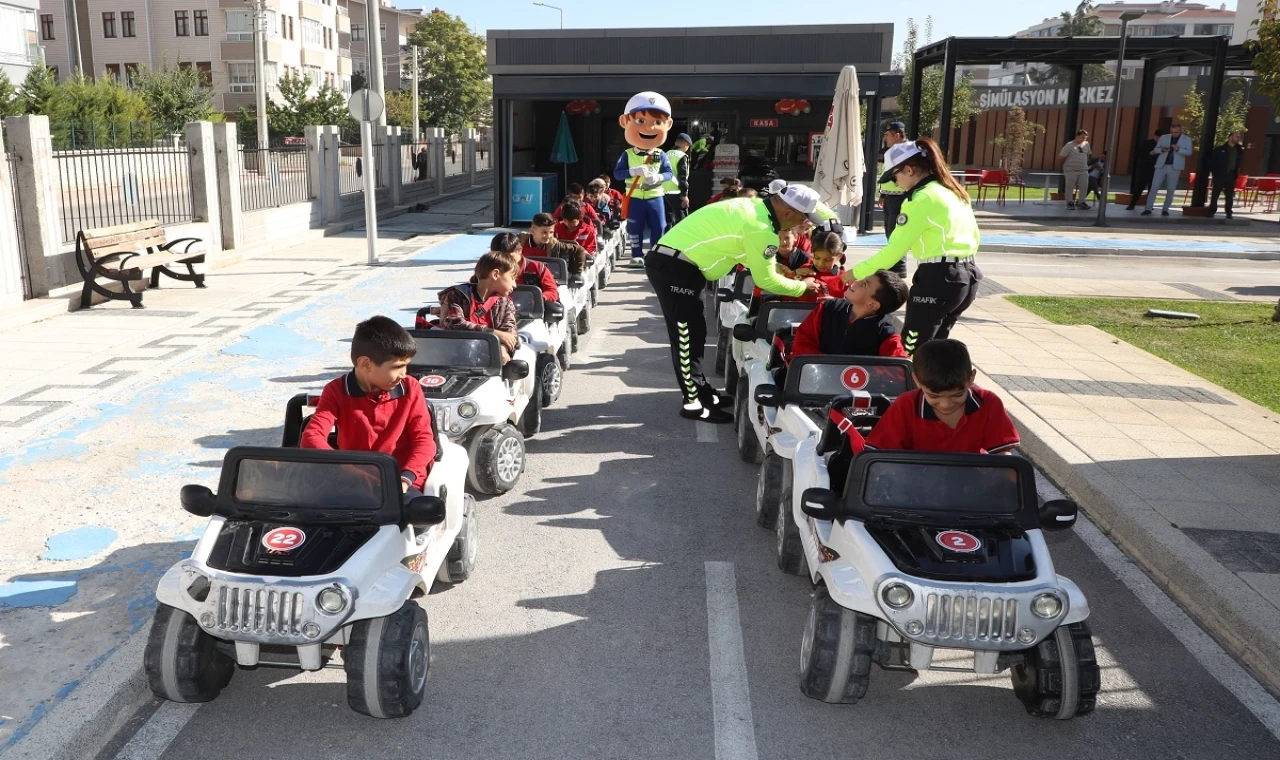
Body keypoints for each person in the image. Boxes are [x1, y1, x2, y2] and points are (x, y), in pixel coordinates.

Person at [648, 180, 837, 423]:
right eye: (802, 219)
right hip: (675, 268)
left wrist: (775, 265)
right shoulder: (763, 230)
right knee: (686, 337)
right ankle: (693, 403)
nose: (802, 225)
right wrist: (803, 287)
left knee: (695, 332)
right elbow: (768, 282)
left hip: (678, 264)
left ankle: (702, 393)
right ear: (788, 212)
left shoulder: (754, 206)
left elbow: (739, 245)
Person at [842, 137, 982, 357]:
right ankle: (931, 390)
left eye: (894, 177)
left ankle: (910, 389)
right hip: (967, 276)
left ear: (908, 170)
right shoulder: (951, 190)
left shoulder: (920, 199)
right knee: (934, 350)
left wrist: (853, 274)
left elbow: (893, 252)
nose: (895, 183)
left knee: (910, 349)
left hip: (938, 277)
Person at [300, 316, 437, 495]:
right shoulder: (335, 391)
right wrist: (350, 471)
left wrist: (404, 479)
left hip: (401, 482)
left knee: (414, 516)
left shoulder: (410, 388)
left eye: (406, 366)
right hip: (354, 483)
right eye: (397, 367)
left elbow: (424, 440)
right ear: (365, 364)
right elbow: (311, 437)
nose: (404, 374)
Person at [864, 338, 1020, 454]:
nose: (946, 404)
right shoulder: (906, 404)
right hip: (916, 488)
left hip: (972, 486)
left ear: (971, 378)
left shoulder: (989, 403)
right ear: (916, 380)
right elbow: (881, 455)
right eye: (934, 396)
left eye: (958, 394)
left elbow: (1002, 455)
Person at [790, 269, 909, 360]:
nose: (856, 282)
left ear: (872, 304)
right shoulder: (828, 308)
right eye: (862, 279)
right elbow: (802, 344)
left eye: (864, 284)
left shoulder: (886, 333)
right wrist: (826, 367)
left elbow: (899, 368)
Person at [613, 91, 675, 267]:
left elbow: (669, 173)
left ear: (668, 124)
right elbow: (618, 174)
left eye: (657, 122)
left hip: (655, 196)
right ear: (625, 122)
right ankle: (636, 254)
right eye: (641, 121)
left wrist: (658, 177)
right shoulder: (627, 154)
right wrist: (632, 171)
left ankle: (656, 255)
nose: (650, 129)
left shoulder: (660, 154)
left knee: (659, 226)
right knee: (635, 227)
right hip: (635, 197)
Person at [438, 250, 520, 361]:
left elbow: (510, 335)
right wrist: (494, 334)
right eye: (512, 278)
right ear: (495, 274)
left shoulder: (506, 304)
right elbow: (454, 324)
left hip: (489, 361)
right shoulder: (457, 295)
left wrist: (502, 349)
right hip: (453, 357)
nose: (514, 285)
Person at [481, 231, 559, 305]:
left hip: (530, 312)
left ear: (519, 250)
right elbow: (476, 287)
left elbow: (552, 291)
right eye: (498, 257)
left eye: (508, 257)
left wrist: (538, 298)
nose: (503, 261)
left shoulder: (539, 268)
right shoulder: (488, 269)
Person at [878, 121, 910, 277]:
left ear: (897, 135)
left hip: (901, 197)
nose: (885, 138)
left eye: (887, 135)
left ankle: (899, 265)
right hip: (891, 196)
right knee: (890, 232)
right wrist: (883, 194)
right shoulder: (893, 151)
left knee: (896, 232)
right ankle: (895, 263)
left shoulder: (905, 150)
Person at [1144, 123, 1193, 217]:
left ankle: (1165, 209)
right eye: (1172, 132)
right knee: (1154, 187)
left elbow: (1189, 152)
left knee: (1170, 189)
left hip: (1175, 167)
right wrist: (1162, 150)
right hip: (1161, 165)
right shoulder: (1164, 137)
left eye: (1176, 132)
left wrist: (1178, 149)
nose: (1174, 134)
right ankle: (1148, 208)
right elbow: (1156, 149)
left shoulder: (1186, 139)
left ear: (1180, 130)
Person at [521, 213, 588, 275]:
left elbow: (579, 250)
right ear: (532, 231)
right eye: (544, 232)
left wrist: (576, 274)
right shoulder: (519, 242)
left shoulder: (555, 245)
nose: (548, 236)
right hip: (522, 279)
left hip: (546, 278)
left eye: (551, 232)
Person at [793, 230, 849, 302]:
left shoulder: (845, 279)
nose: (821, 263)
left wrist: (834, 302)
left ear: (839, 256)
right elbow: (787, 298)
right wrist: (794, 275)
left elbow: (852, 306)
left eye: (828, 260)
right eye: (817, 258)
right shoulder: (804, 271)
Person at [1209, 132, 1245, 219]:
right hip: (1219, 175)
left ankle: (1229, 212)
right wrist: (1214, 172)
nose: (1238, 138)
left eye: (1239, 137)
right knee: (1215, 194)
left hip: (1231, 175)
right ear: (1230, 137)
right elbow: (1212, 162)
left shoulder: (1239, 150)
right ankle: (1211, 211)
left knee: (1229, 195)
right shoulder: (1220, 149)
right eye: (1236, 137)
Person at [1127, 129, 1162, 211]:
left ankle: (1149, 205)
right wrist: (1150, 153)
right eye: (1159, 138)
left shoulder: (1162, 146)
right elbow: (1141, 154)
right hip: (1146, 168)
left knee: (1152, 188)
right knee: (1140, 187)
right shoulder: (1147, 143)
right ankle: (1132, 204)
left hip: (1156, 169)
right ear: (1155, 136)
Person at [664, 132, 692, 228]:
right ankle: (680, 241)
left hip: (663, 191)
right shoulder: (681, 156)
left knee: (667, 219)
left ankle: (666, 241)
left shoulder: (665, 154)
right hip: (676, 191)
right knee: (682, 219)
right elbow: (682, 177)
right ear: (685, 144)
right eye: (688, 146)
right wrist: (684, 195)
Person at [1059, 129, 1091, 210]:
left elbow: (1088, 154)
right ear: (1077, 136)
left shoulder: (1086, 144)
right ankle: (1069, 202)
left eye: (1085, 138)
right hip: (1071, 170)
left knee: (1084, 186)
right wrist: (1068, 165)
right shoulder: (1069, 145)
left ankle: (1081, 202)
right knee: (1070, 187)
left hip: (1083, 170)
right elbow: (1061, 157)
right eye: (1082, 137)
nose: (1083, 139)